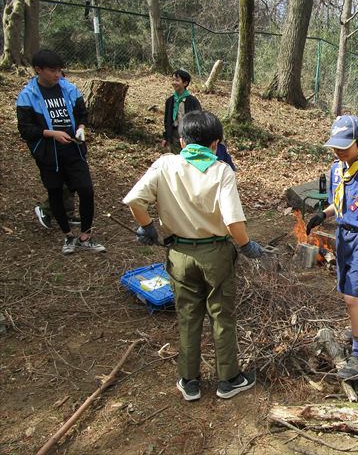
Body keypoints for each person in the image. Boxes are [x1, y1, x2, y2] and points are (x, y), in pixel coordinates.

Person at [123, 110, 265, 401]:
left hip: (179, 254)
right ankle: (229, 380)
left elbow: (135, 200)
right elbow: (233, 222)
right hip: (216, 255)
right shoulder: (221, 170)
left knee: (188, 316)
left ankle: (189, 381)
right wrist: (247, 245)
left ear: (181, 139)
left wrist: (147, 226)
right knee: (221, 315)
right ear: (216, 143)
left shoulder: (165, 165)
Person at [306, 115, 358, 379]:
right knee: (346, 293)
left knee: (354, 296)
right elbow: (339, 204)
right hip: (344, 237)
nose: (339, 150)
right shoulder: (336, 169)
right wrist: (323, 215)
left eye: (345, 145)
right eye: (335, 146)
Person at [17, 49, 105, 254]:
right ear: (39, 70)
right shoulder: (27, 96)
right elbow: (25, 129)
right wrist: (51, 134)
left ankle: (86, 236)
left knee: (86, 190)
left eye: (59, 70)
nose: (57, 75)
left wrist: (81, 127)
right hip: (48, 154)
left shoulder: (69, 89)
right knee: (55, 192)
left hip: (74, 150)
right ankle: (68, 236)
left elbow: (83, 113)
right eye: (52, 70)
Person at [162, 69, 237, 170]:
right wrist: (166, 137)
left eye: (177, 80)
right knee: (177, 158)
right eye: (173, 80)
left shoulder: (192, 101)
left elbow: (199, 119)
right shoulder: (170, 101)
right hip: (174, 134)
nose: (174, 83)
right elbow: (167, 120)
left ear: (185, 83)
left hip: (189, 134)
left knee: (190, 158)